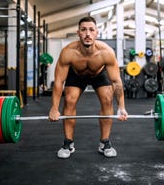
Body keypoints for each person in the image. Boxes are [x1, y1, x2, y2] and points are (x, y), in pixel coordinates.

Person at [49, 16, 128, 159]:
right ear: (78, 32)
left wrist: (121, 107)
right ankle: (68, 143)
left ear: (97, 33)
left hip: (99, 73)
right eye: (83, 30)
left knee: (107, 98)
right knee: (69, 99)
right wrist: (54, 108)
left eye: (91, 30)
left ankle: (104, 142)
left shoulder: (106, 52)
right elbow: (59, 82)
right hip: (76, 74)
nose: (87, 34)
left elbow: (116, 81)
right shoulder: (68, 52)